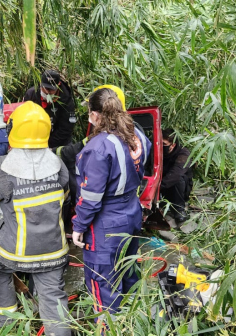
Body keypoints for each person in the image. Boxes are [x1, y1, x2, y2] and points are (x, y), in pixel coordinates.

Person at [0, 101, 71, 336]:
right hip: (54, 251)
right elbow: (65, 198)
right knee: (53, 297)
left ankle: (4, 318)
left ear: (12, 130)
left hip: (16, 252)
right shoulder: (59, 166)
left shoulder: (0, 167)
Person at [70, 86, 150, 313]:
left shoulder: (97, 148)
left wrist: (79, 226)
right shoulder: (137, 135)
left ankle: (108, 327)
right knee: (128, 272)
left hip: (106, 223)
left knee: (103, 284)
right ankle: (132, 322)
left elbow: (91, 197)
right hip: (132, 213)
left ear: (95, 115)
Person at [23, 70, 77, 148]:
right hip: (36, 138)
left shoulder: (66, 99)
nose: (47, 92)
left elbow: (66, 129)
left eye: (51, 89)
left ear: (58, 85)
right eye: (45, 88)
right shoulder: (31, 94)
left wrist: (48, 145)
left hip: (59, 140)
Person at [161, 128, 193, 223]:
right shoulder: (157, 151)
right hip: (162, 186)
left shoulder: (184, 154)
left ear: (173, 145)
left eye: (164, 144)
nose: (161, 147)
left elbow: (176, 173)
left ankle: (179, 210)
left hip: (178, 188)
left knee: (178, 179)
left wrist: (158, 187)